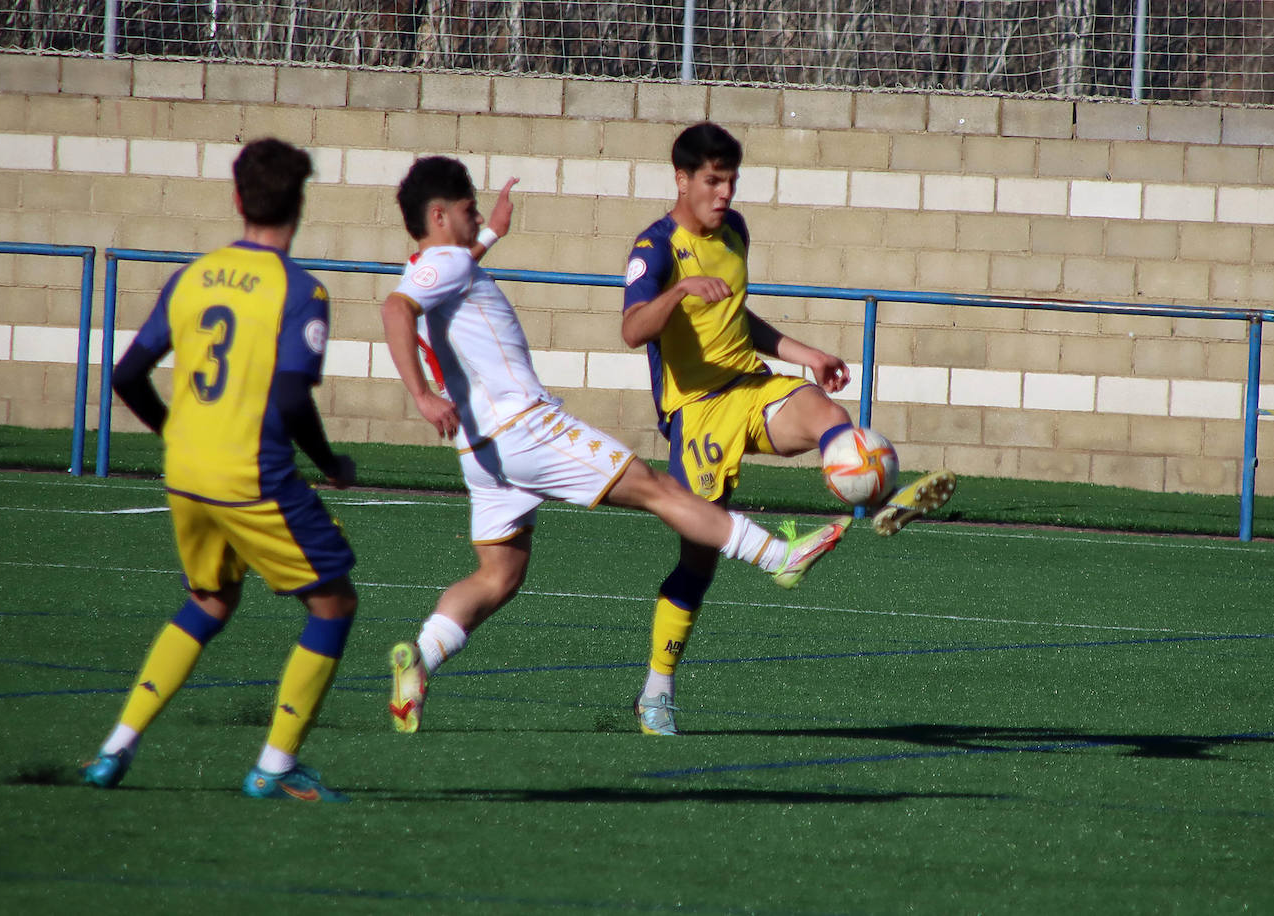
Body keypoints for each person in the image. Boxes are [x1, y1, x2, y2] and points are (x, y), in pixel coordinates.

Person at [381, 156, 848, 734]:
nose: (477, 217)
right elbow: (395, 308)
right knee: (657, 488)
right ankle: (779, 557)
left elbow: (445, 275)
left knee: (499, 575)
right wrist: (422, 396)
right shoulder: (441, 266)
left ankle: (420, 661)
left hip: (483, 453)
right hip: (526, 428)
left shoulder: (442, 264)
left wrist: (493, 233)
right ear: (439, 214)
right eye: (469, 210)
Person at [621, 122, 956, 736]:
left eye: (731, 181)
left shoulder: (736, 231)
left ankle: (881, 497)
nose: (724, 194)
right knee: (698, 560)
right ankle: (656, 693)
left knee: (835, 419)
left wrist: (806, 355)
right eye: (713, 181)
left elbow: (736, 318)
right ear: (682, 180)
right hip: (695, 411)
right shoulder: (656, 249)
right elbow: (634, 329)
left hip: (751, 384)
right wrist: (680, 291)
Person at [80, 138, 360, 802]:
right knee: (334, 603)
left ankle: (114, 749)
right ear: (300, 204)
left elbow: (127, 375)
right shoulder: (301, 291)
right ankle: (277, 765)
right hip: (250, 472)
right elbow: (291, 396)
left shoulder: (191, 276)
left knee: (209, 598)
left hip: (185, 469)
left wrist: (176, 430)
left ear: (237, 199)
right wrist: (329, 462)